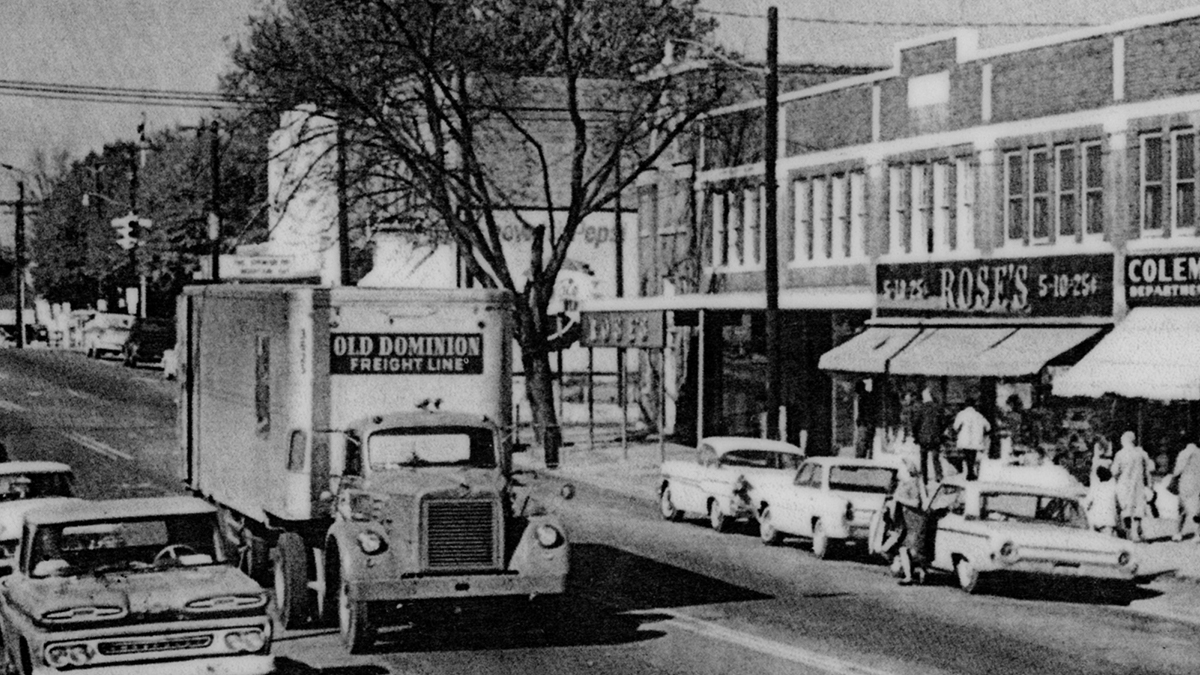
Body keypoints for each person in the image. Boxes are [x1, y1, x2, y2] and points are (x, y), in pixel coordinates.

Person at [1111, 431, 1153, 542]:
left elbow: (1115, 471)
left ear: (1124, 441)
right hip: (1138, 484)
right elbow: (1147, 471)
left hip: (1124, 484)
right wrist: (1149, 485)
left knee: (1126, 508)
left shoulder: (1120, 454)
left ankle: (1128, 533)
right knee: (1138, 508)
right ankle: (1136, 533)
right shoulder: (1141, 454)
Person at [893, 456, 929, 586]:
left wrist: (899, 499)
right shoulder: (907, 483)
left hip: (915, 520)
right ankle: (920, 573)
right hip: (911, 521)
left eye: (901, 469)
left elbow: (916, 502)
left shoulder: (912, 484)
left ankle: (910, 576)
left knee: (907, 549)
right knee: (913, 549)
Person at [951, 399, 990, 481]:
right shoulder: (979, 415)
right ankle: (970, 472)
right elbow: (988, 427)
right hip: (976, 439)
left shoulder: (961, 414)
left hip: (964, 439)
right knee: (972, 455)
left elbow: (955, 426)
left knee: (967, 455)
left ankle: (969, 472)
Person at [913, 387, 943, 486]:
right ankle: (938, 477)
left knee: (923, 459)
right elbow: (942, 422)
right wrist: (940, 433)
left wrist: (916, 437)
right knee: (935, 458)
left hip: (923, 438)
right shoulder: (937, 408)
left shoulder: (921, 409)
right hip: (935, 437)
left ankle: (924, 479)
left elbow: (915, 423)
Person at [1170, 442, 1200, 542]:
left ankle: (1178, 533)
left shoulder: (1184, 453)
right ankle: (1198, 534)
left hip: (1186, 483)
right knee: (1197, 510)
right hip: (1198, 483)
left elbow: (1177, 470)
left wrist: (1173, 480)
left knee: (1182, 509)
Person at [1086, 465, 1118, 536]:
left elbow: (1087, 502)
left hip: (1095, 520)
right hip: (1108, 521)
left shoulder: (1095, 487)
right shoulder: (1114, 487)